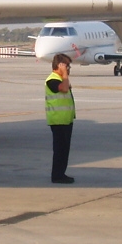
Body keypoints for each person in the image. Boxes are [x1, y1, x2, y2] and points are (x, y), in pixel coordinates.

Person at [45, 53, 76, 183]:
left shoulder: (60, 78)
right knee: (59, 150)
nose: (69, 69)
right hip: (58, 120)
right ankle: (57, 175)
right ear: (60, 66)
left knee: (64, 149)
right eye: (67, 66)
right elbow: (63, 89)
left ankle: (61, 173)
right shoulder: (52, 79)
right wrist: (64, 74)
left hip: (65, 120)